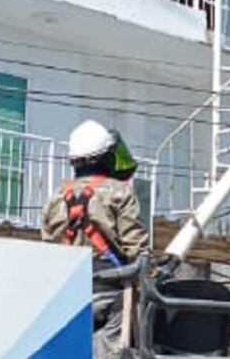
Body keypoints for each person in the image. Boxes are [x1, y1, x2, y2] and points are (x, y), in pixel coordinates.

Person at [42, 120, 148, 359]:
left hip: (66, 292)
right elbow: (136, 248)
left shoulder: (56, 197)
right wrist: (151, 272)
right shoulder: (120, 191)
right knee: (113, 347)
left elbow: (47, 250)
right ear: (106, 157)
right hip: (110, 291)